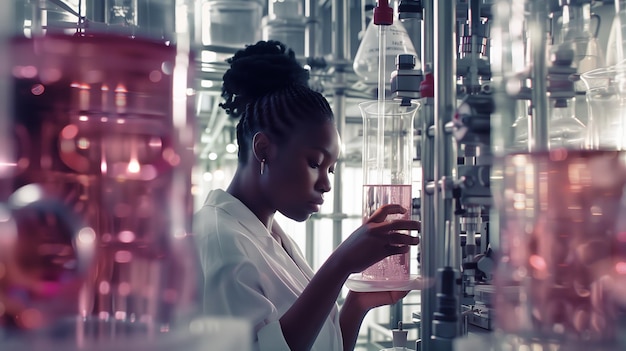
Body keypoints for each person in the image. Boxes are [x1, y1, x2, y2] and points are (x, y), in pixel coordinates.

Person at [194, 40, 421, 351]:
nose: (326, 184)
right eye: (315, 162)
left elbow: (318, 343)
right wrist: (340, 265)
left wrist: (356, 304)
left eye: (331, 169)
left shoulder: (270, 235)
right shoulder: (219, 240)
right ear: (263, 150)